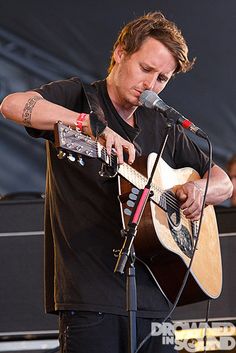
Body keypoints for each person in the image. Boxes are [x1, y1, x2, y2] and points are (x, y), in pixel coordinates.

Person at [0, 11, 233, 353]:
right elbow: (13, 104)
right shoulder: (78, 96)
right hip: (90, 294)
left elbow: (224, 183)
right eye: (146, 69)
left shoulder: (163, 126)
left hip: (157, 295)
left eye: (162, 79)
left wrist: (198, 189)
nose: (151, 85)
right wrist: (87, 123)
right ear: (120, 53)